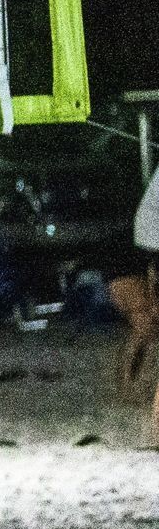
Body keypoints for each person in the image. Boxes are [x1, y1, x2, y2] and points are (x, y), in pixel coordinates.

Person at [108, 166, 159, 434]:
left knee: (143, 330)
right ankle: (127, 388)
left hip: (130, 262)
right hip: (129, 267)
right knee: (143, 328)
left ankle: (128, 387)